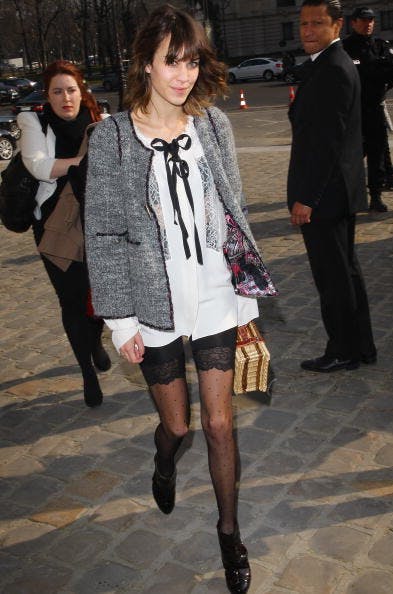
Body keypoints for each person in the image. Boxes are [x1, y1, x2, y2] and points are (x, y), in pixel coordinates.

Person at [84, 4, 277, 592]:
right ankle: (163, 459)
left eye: (191, 61)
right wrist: (119, 321)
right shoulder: (112, 138)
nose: (183, 74)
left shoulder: (213, 124)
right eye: (172, 61)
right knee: (181, 426)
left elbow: (233, 211)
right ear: (145, 63)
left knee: (221, 425)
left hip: (215, 291)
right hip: (154, 302)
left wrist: (244, 295)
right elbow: (104, 233)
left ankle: (228, 532)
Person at [287, 0, 377, 373]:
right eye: (304, 23)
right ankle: (362, 346)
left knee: (333, 278)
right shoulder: (327, 65)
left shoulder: (334, 69)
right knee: (346, 272)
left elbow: (327, 143)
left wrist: (307, 198)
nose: (307, 30)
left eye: (317, 23)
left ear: (336, 25)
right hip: (336, 190)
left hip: (326, 194)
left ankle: (343, 349)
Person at [17, 60, 111, 408]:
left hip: (97, 222)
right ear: (48, 95)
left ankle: (96, 340)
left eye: (71, 89)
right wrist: (84, 162)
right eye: (57, 91)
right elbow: (39, 166)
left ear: (81, 90)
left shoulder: (97, 119)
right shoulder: (32, 122)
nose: (65, 97)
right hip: (55, 226)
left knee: (100, 297)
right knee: (71, 301)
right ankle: (87, 372)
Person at [343, 6, 393, 212]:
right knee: (352, 157)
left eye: (371, 20)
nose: (368, 24)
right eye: (364, 20)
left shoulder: (380, 45)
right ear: (354, 22)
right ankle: (350, 195)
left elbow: (392, 71)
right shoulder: (345, 48)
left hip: (374, 109)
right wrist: (374, 72)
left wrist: (378, 81)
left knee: (377, 155)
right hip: (353, 112)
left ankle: (375, 196)